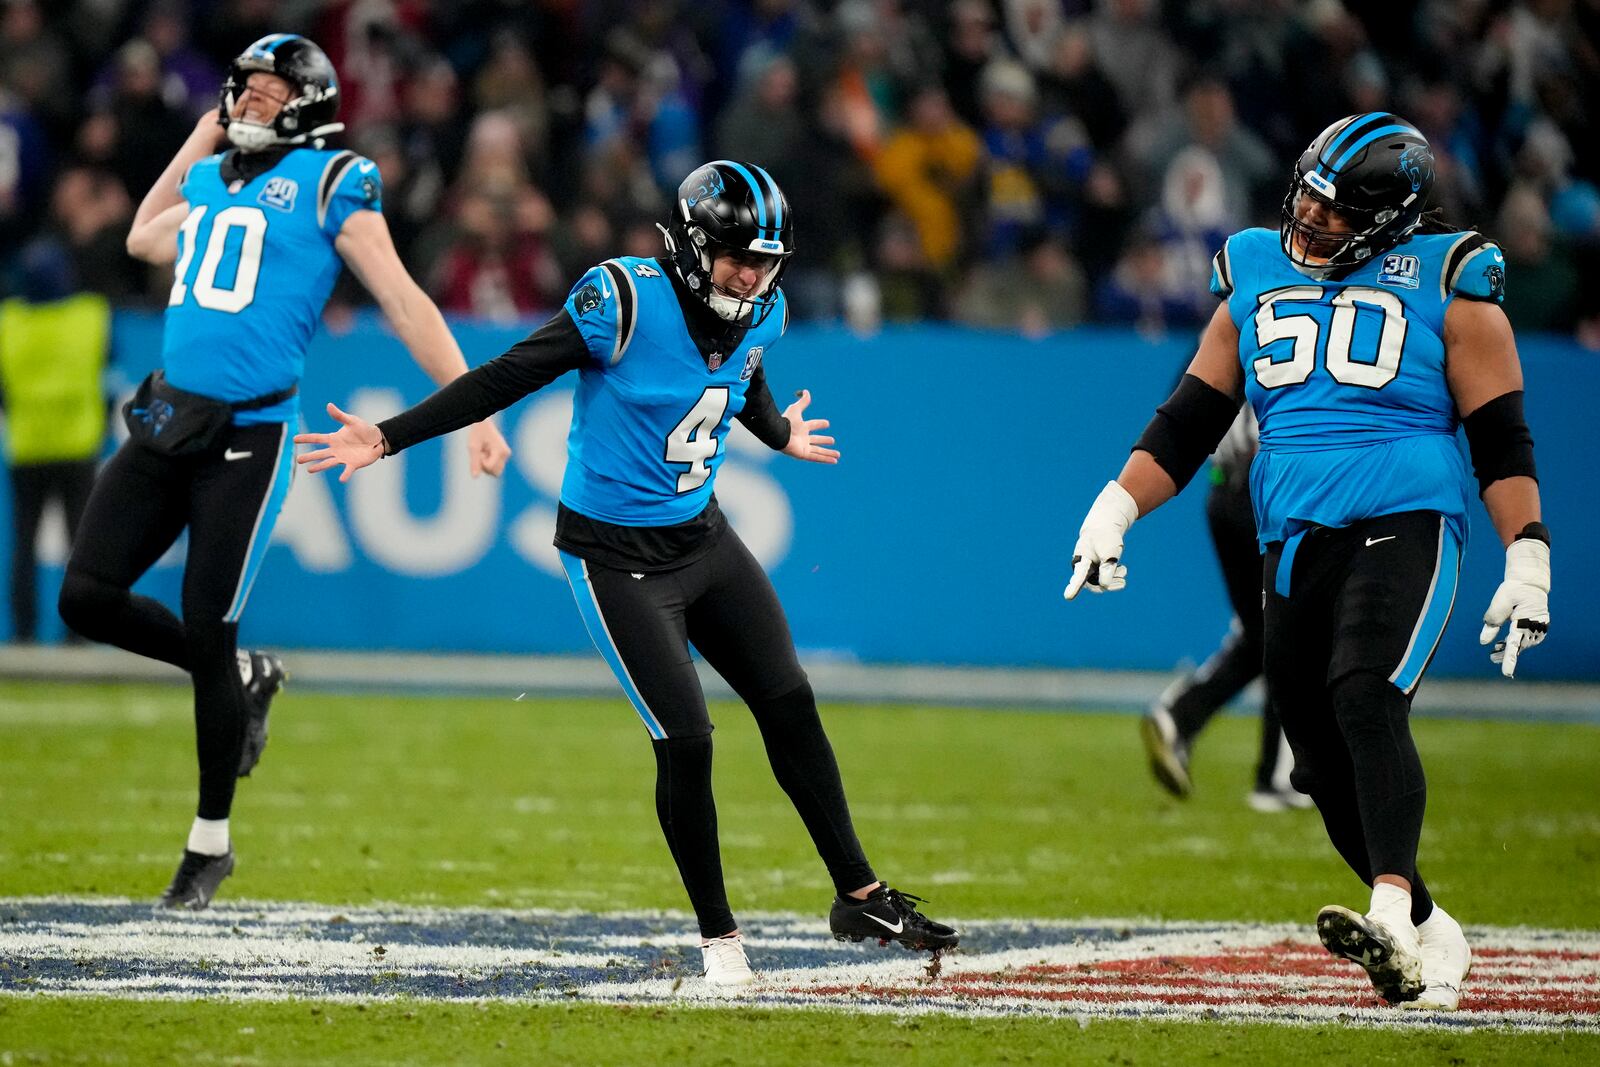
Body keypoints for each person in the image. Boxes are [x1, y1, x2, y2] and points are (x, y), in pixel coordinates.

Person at [295, 160, 960, 987]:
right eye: (736, 258)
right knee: (688, 740)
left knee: (789, 700)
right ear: (689, 246)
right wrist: (390, 436)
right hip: (615, 559)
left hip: (704, 539)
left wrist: (777, 431)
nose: (752, 277)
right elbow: (508, 374)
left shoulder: (765, 310)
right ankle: (721, 941)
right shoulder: (624, 300)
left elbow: (744, 372)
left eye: (764, 262)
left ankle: (860, 895)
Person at [1064, 114, 1550, 1012]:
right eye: (1310, 198)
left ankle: (1392, 916)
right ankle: (1431, 930)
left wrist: (1528, 554)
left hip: (1408, 515)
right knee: (1316, 764)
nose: (1313, 219)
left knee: (1366, 691)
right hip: (1288, 532)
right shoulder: (1253, 266)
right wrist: (1117, 504)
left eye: (1336, 208)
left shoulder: (1453, 279)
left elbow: (1501, 436)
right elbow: (1190, 417)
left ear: (1389, 215)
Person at [56, 35, 511, 911]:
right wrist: (199, 136)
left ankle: (208, 843)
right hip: (167, 418)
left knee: (204, 624)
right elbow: (143, 236)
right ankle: (245, 672)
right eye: (243, 91)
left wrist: (473, 407)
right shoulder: (211, 176)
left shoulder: (336, 180)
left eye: (267, 94)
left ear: (305, 102)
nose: (250, 104)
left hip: (250, 439)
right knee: (85, 596)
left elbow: (405, 299)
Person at [1141, 404, 1311, 813]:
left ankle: (1179, 717)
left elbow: (1180, 415)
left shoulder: (1220, 341)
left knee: (1263, 635)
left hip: (1222, 494)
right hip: (1268, 494)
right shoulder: (1297, 340)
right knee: (1290, 633)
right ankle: (1278, 777)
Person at [1, 240, 109, 643]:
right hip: (77, 446)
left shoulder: (9, 321)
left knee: (23, 546)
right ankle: (76, 632)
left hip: (27, 447)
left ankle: (23, 634)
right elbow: (108, 368)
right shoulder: (90, 316)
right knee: (79, 546)